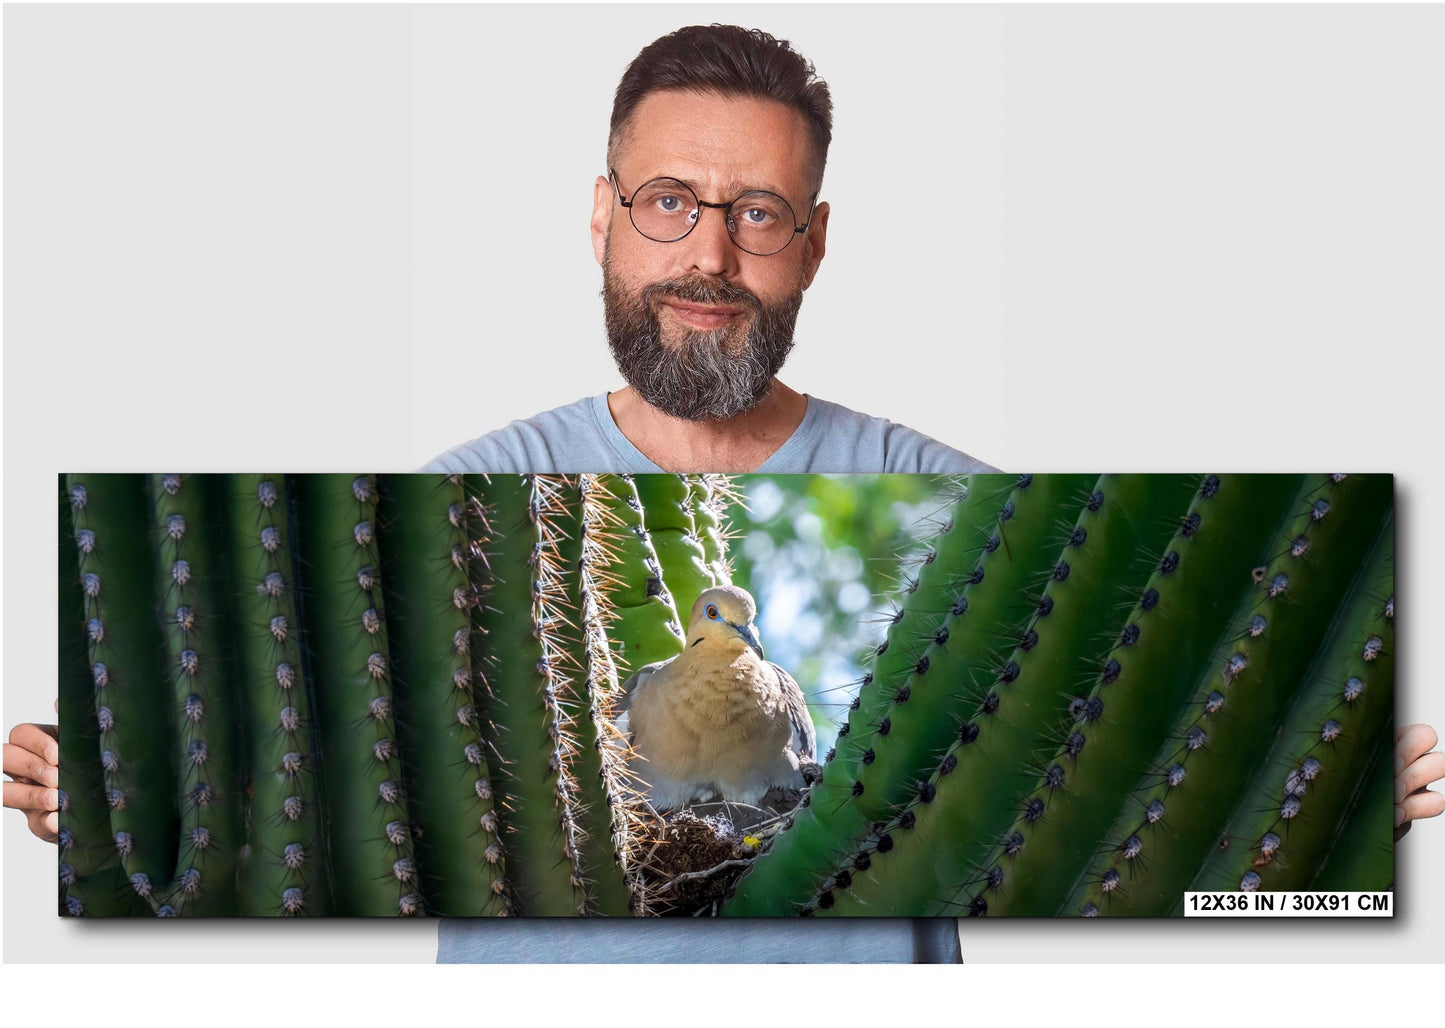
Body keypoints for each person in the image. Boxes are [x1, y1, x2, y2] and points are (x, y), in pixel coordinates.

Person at [9, 23, 1443, 963]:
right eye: (668, 202)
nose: (709, 253)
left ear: (811, 243)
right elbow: (305, 778)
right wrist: (120, 782)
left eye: (756, 213)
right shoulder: (444, 505)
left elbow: (1106, 767)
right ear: (601, 215)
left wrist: (1345, 753)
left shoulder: (972, 512)